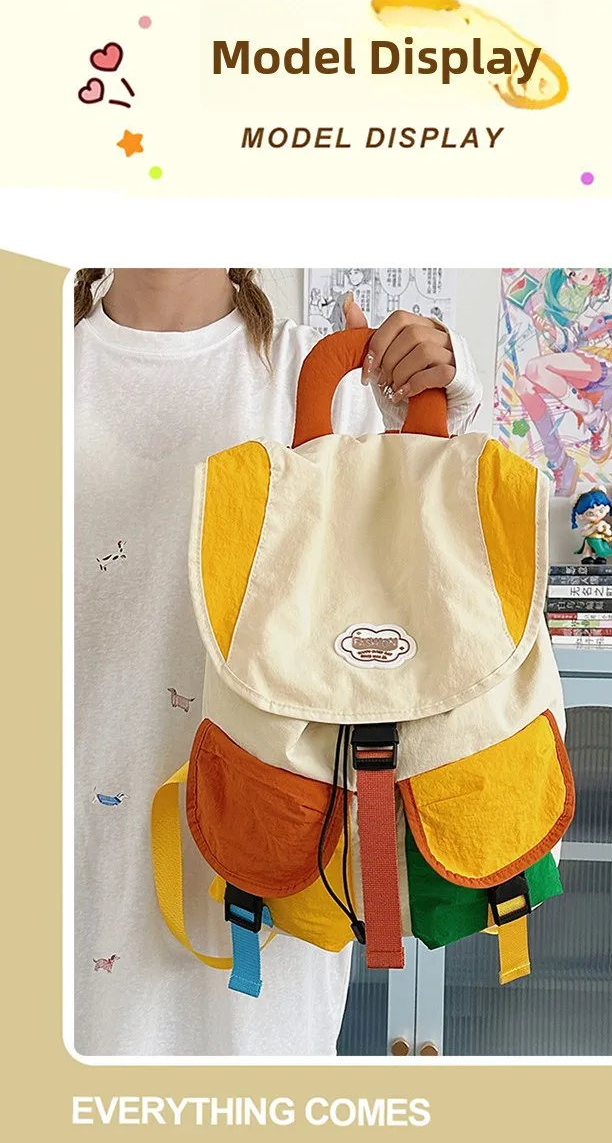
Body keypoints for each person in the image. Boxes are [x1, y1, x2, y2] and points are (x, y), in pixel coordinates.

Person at [74, 267, 482, 1058]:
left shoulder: (323, 376)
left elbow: (448, 574)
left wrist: (442, 382)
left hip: (274, 864)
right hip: (72, 861)